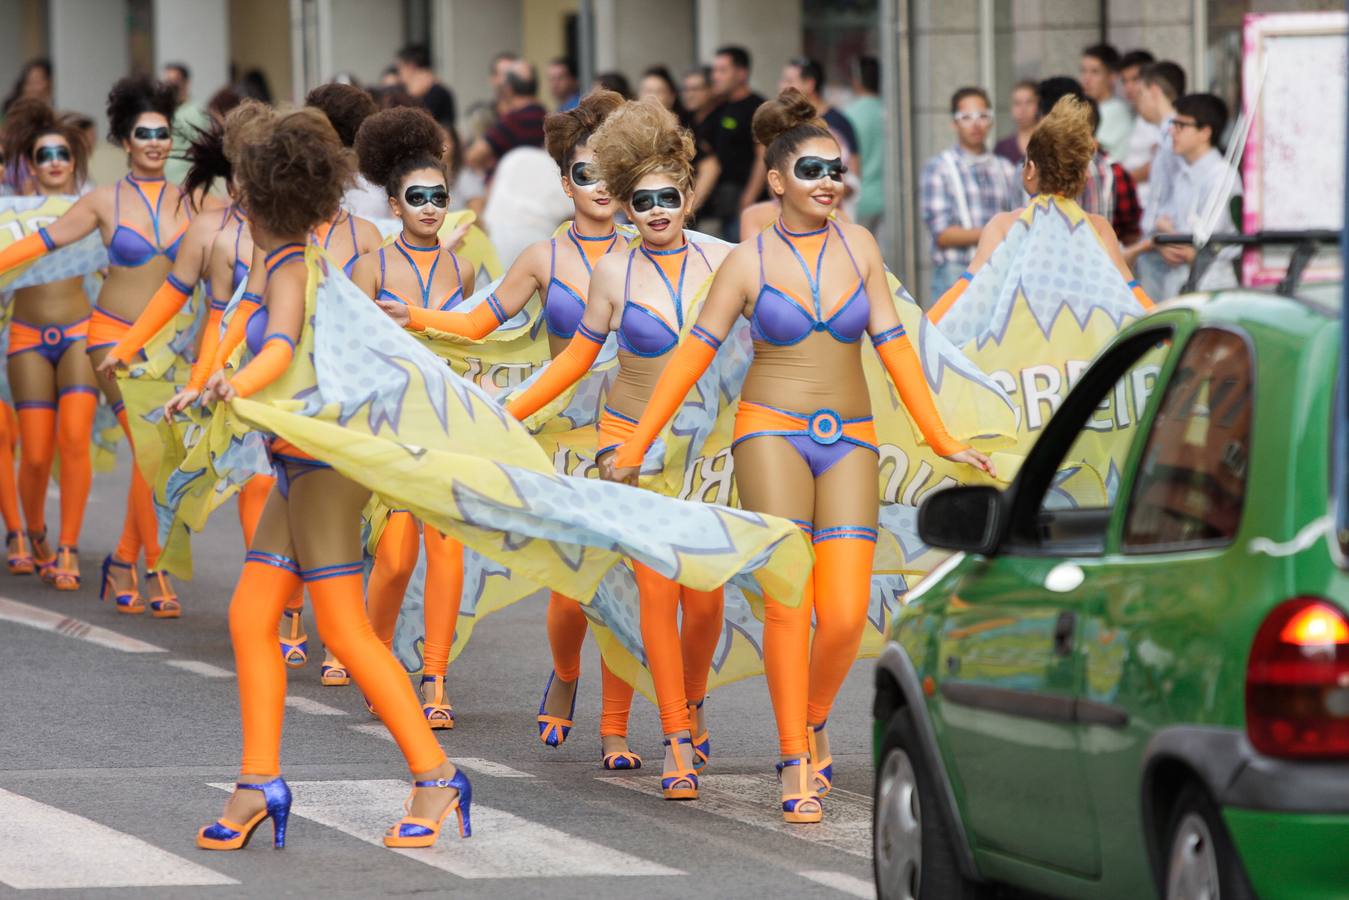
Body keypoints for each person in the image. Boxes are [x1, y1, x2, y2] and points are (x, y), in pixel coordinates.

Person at [608, 89, 991, 823]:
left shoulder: (862, 248)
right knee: (790, 605)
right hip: (769, 432)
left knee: (845, 614)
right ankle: (791, 759)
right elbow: (692, 355)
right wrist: (637, 441)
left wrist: (942, 438)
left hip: (849, 435)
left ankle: (813, 719)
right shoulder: (745, 263)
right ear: (775, 180)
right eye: (811, 169)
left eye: (836, 170)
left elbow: (896, 348)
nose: (828, 181)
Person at [194, 104, 472, 853]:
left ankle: (436, 775)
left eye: (239, 191)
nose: (233, 203)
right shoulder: (275, 257)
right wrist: (210, 376)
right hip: (293, 460)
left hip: (323, 467)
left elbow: (280, 345)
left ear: (262, 197)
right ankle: (258, 782)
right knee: (252, 618)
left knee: (344, 629)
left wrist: (234, 385)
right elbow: (242, 320)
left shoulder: (292, 263)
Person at [377, 90, 645, 769]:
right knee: (569, 594)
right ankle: (564, 672)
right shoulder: (540, 258)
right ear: (564, 184)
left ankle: (616, 730)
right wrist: (416, 317)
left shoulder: (653, 250)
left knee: (625, 588)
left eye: (611, 175)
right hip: (558, 441)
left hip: (634, 436)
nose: (600, 188)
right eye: (585, 175)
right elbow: (475, 323)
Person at [497, 97, 732, 800]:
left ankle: (689, 703)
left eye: (667, 197)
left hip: (701, 451)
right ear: (625, 209)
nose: (655, 210)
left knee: (707, 600)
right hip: (624, 446)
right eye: (640, 201)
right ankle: (676, 739)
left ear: (687, 195)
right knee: (652, 592)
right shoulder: (612, 274)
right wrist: (503, 413)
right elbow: (571, 363)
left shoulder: (727, 264)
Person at [0, 75, 190, 616]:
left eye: (162, 133)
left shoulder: (194, 201)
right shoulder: (103, 201)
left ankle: (125, 559)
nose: (154, 142)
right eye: (143, 134)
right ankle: (154, 566)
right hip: (110, 340)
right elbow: (41, 242)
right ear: (125, 142)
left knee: (161, 459)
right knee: (148, 451)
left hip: (168, 345)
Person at [349, 107, 474, 729]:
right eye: (416, 197)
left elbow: (478, 346)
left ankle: (435, 678)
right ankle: (375, 662)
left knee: (447, 551)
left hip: (448, 423)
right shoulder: (370, 267)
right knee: (395, 558)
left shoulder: (465, 267)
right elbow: (342, 342)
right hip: (391, 423)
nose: (430, 206)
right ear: (394, 206)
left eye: (439, 196)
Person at [0, 100, 97, 588]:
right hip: (26, 337)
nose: (56, 161)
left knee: (75, 440)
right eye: (44, 155)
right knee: (35, 454)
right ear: (31, 167)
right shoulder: (9, 213)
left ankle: (68, 547)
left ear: (74, 162)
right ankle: (31, 530)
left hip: (80, 333)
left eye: (63, 153)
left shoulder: (96, 207)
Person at [1130, 93, 1239, 299]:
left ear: (1205, 132)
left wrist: (1167, 232)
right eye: (1173, 124)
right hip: (1178, 281)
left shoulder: (1221, 175)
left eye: (1181, 125)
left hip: (1210, 284)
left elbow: (1199, 240)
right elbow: (1159, 222)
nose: (1172, 131)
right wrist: (1164, 238)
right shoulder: (1182, 171)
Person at [919, 86, 1019, 298]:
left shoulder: (1006, 169)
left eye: (982, 116)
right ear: (954, 123)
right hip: (954, 274)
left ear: (991, 120)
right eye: (966, 117)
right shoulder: (940, 167)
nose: (975, 124)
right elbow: (942, 234)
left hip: (999, 271)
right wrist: (995, 232)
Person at [693, 46, 765, 242]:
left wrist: (748, 198)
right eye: (714, 70)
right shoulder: (720, 108)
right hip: (721, 203)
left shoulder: (757, 107)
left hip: (744, 201)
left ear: (742, 73)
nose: (715, 76)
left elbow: (763, 155)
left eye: (722, 70)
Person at [465, 59, 546, 176]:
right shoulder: (546, 116)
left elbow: (473, 157)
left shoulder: (512, 121)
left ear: (508, 89)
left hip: (513, 188)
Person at [1132, 61, 1186, 233]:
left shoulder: (1175, 136)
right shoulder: (1164, 135)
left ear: (1154, 91)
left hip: (1166, 238)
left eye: (1141, 93)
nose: (1138, 102)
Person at [844, 55, 884, 234]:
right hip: (891, 199)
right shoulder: (893, 111)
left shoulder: (848, 115)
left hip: (861, 199)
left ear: (856, 81)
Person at [1079, 43, 1131, 160]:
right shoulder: (1091, 108)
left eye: (1095, 72)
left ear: (1112, 76)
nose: (1086, 79)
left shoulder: (1116, 110)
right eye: (1083, 71)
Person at [162, 62, 210, 186]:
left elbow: (204, 151)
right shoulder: (163, 112)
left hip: (187, 186)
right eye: (167, 81)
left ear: (186, 83)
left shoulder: (195, 112)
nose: (170, 86)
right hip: (165, 185)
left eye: (175, 81)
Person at [1118, 49, 1160, 188]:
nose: (1128, 87)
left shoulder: (1158, 118)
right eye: (1124, 81)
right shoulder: (1137, 116)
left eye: (1135, 79)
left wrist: (1121, 181)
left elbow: (1158, 164)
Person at [395, 43, 456, 131]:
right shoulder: (439, 89)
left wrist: (412, 97)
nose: (400, 76)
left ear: (411, 66)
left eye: (400, 68)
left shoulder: (435, 92)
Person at [993, 80, 1038, 165]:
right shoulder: (1002, 148)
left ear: (1039, 105)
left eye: (1029, 102)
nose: (1023, 109)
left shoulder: (1048, 144)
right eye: (1017, 103)